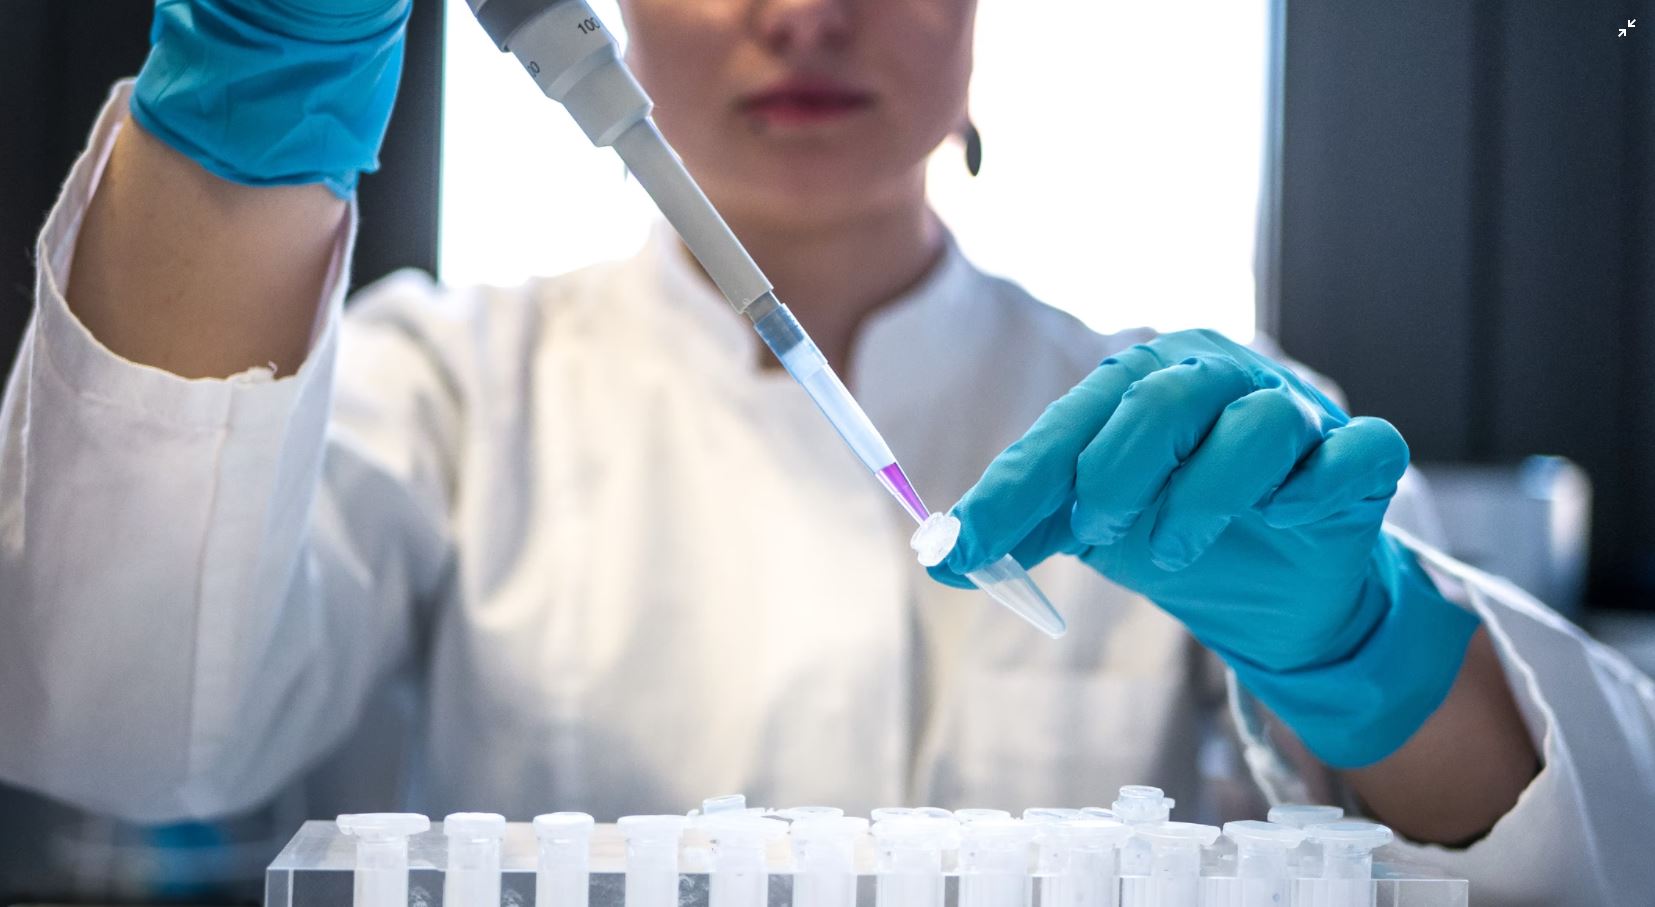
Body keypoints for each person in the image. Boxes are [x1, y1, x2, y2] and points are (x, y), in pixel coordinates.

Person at [0, 0, 1650, 903]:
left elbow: (1590, 868)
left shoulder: (1187, 428)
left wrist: (1372, 659)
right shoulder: (448, 383)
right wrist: (234, 130)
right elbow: (119, 726)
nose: (802, 16)